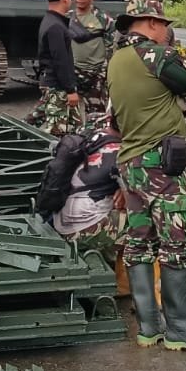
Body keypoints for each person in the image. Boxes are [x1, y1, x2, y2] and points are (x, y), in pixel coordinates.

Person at [106, 0, 186, 353]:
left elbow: (113, 119)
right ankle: (181, 329)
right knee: (179, 240)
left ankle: (148, 326)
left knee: (140, 241)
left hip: (130, 164)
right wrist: (176, 98)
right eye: (163, 24)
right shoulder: (158, 55)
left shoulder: (116, 60)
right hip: (160, 163)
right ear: (153, 22)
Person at [52, 114, 125, 268]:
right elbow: (142, 197)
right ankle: (127, 281)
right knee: (150, 222)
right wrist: (125, 191)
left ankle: (108, 257)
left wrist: (121, 189)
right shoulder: (121, 153)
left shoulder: (92, 136)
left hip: (60, 221)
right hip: (82, 230)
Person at [27, 0, 84, 136]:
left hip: (53, 83)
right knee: (56, 133)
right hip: (57, 87)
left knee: (76, 129)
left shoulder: (50, 21)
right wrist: (70, 90)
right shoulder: (56, 26)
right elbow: (61, 61)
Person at [71, 0, 118, 115]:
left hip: (95, 73)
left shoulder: (103, 18)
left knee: (96, 114)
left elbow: (112, 45)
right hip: (73, 71)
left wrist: (105, 70)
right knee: (68, 114)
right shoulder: (68, 17)